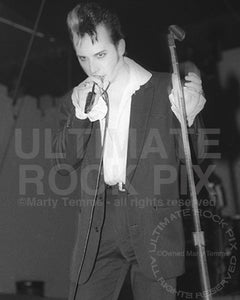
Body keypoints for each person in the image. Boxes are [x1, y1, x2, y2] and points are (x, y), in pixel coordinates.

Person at [52, 2, 206, 300]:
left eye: (100, 55)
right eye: (83, 58)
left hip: (153, 222)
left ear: (120, 47)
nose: (93, 68)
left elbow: (194, 155)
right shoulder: (78, 98)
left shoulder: (164, 88)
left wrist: (191, 117)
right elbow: (62, 162)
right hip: (100, 223)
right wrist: (80, 117)